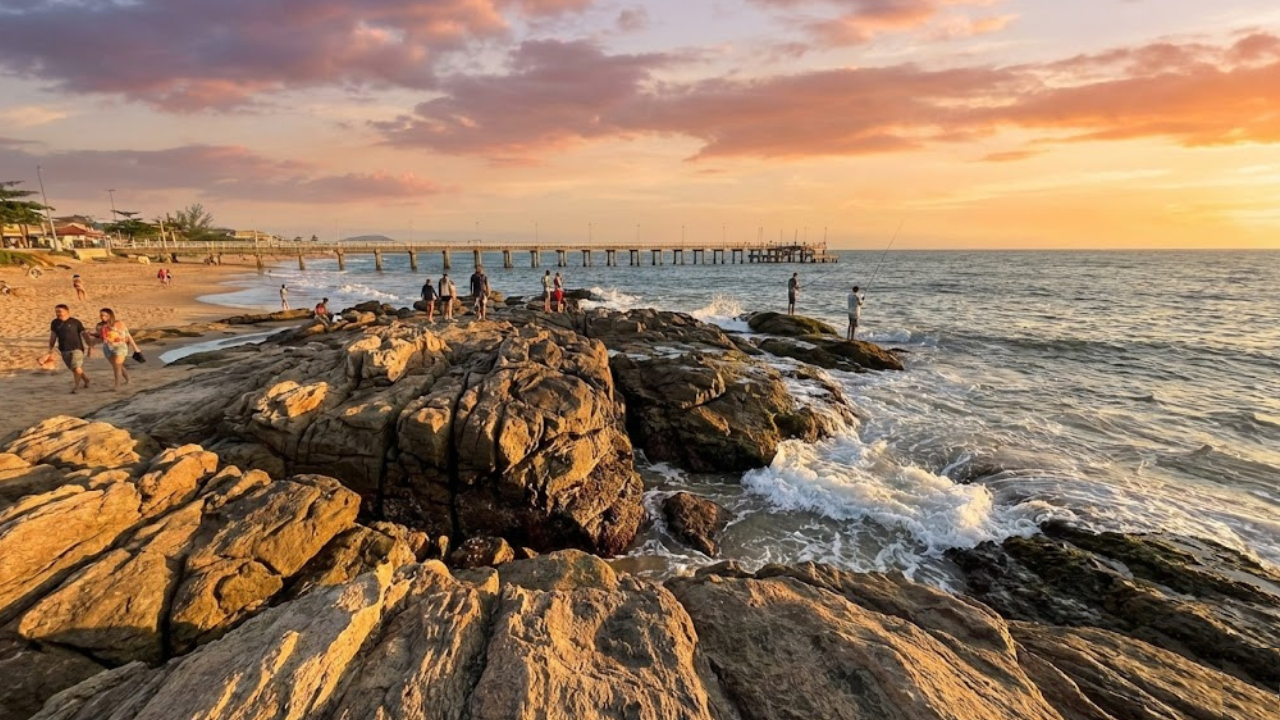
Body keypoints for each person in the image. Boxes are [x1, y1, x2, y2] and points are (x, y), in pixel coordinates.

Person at [46, 304, 91, 394]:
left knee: (77, 367)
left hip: (77, 348)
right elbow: (53, 335)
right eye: (56, 311)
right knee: (74, 368)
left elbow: (84, 334)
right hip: (63, 349)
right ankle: (86, 380)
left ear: (67, 311)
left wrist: (90, 345)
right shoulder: (55, 323)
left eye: (59, 311)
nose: (57, 313)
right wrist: (50, 348)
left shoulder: (76, 322)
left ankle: (76, 387)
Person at [94, 308, 141, 391]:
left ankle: (117, 385)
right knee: (118, 366)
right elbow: (100, 336)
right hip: (107, 347)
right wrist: (91, 336)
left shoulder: (118, 323)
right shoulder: (100, 325)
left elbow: (128, 335)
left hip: (120, 346)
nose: (103, 317)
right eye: (101, 315)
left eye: (105, 315)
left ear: (110, 315)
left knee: (116, 366)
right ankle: (128, 379)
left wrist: (135, 347)